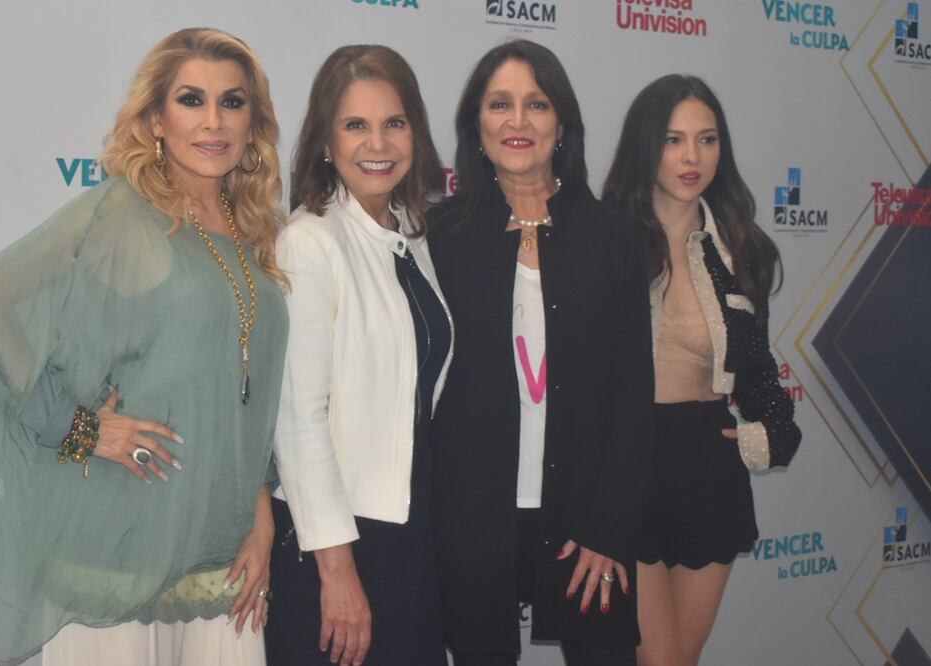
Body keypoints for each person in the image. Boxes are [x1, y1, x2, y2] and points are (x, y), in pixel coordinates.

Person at [0, 28, 288, 666]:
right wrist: (80, 427)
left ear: (252, 121)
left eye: (232, 102)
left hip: (219, 554)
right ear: (157, 119)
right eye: (191, 100)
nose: (213, 121)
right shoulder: (123, 213)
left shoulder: (252, 230)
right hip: (115, 548)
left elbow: (242, 388)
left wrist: (261, 510)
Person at [426, 40, 654, 665]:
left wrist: (610, 528)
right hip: (472, 521)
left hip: (589, 522)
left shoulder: (613, 235)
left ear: (562, 124)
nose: (518, 121)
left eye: (537, 104)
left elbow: (633, 395)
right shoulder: (438, 236)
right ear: (476, 124)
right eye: (500, 104)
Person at [601, 74, 802, 666]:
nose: (692, 157)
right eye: (674, 140)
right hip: (623, 464)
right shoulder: (603, 239)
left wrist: (767, 436)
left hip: (706, 468)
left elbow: (760, 372)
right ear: (646, 145)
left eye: (707, 139)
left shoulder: (744, 249)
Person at [266, 45, 451, 666]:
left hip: (408, 526)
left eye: (394, 122)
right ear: (326, 141)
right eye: (355, 125)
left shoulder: (409, 234)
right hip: (337, 540)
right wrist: (338, 570)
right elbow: (299, 420)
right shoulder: (310, 242)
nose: (378, 143)